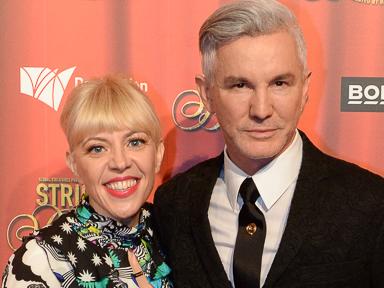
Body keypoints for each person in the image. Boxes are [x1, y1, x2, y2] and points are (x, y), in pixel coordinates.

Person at [154, 0, 384, 287]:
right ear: (207, 94)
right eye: (240, 85)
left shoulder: (372, 205)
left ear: (305, 89)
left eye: (279, 83)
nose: (261, 110)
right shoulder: (174, 204)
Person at [2, 75, 173, 288]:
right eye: (97, 148)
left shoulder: (177, 233)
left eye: (135, 142)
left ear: (158, 154)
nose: (120, 162)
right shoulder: (42, 260)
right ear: (74, 164)